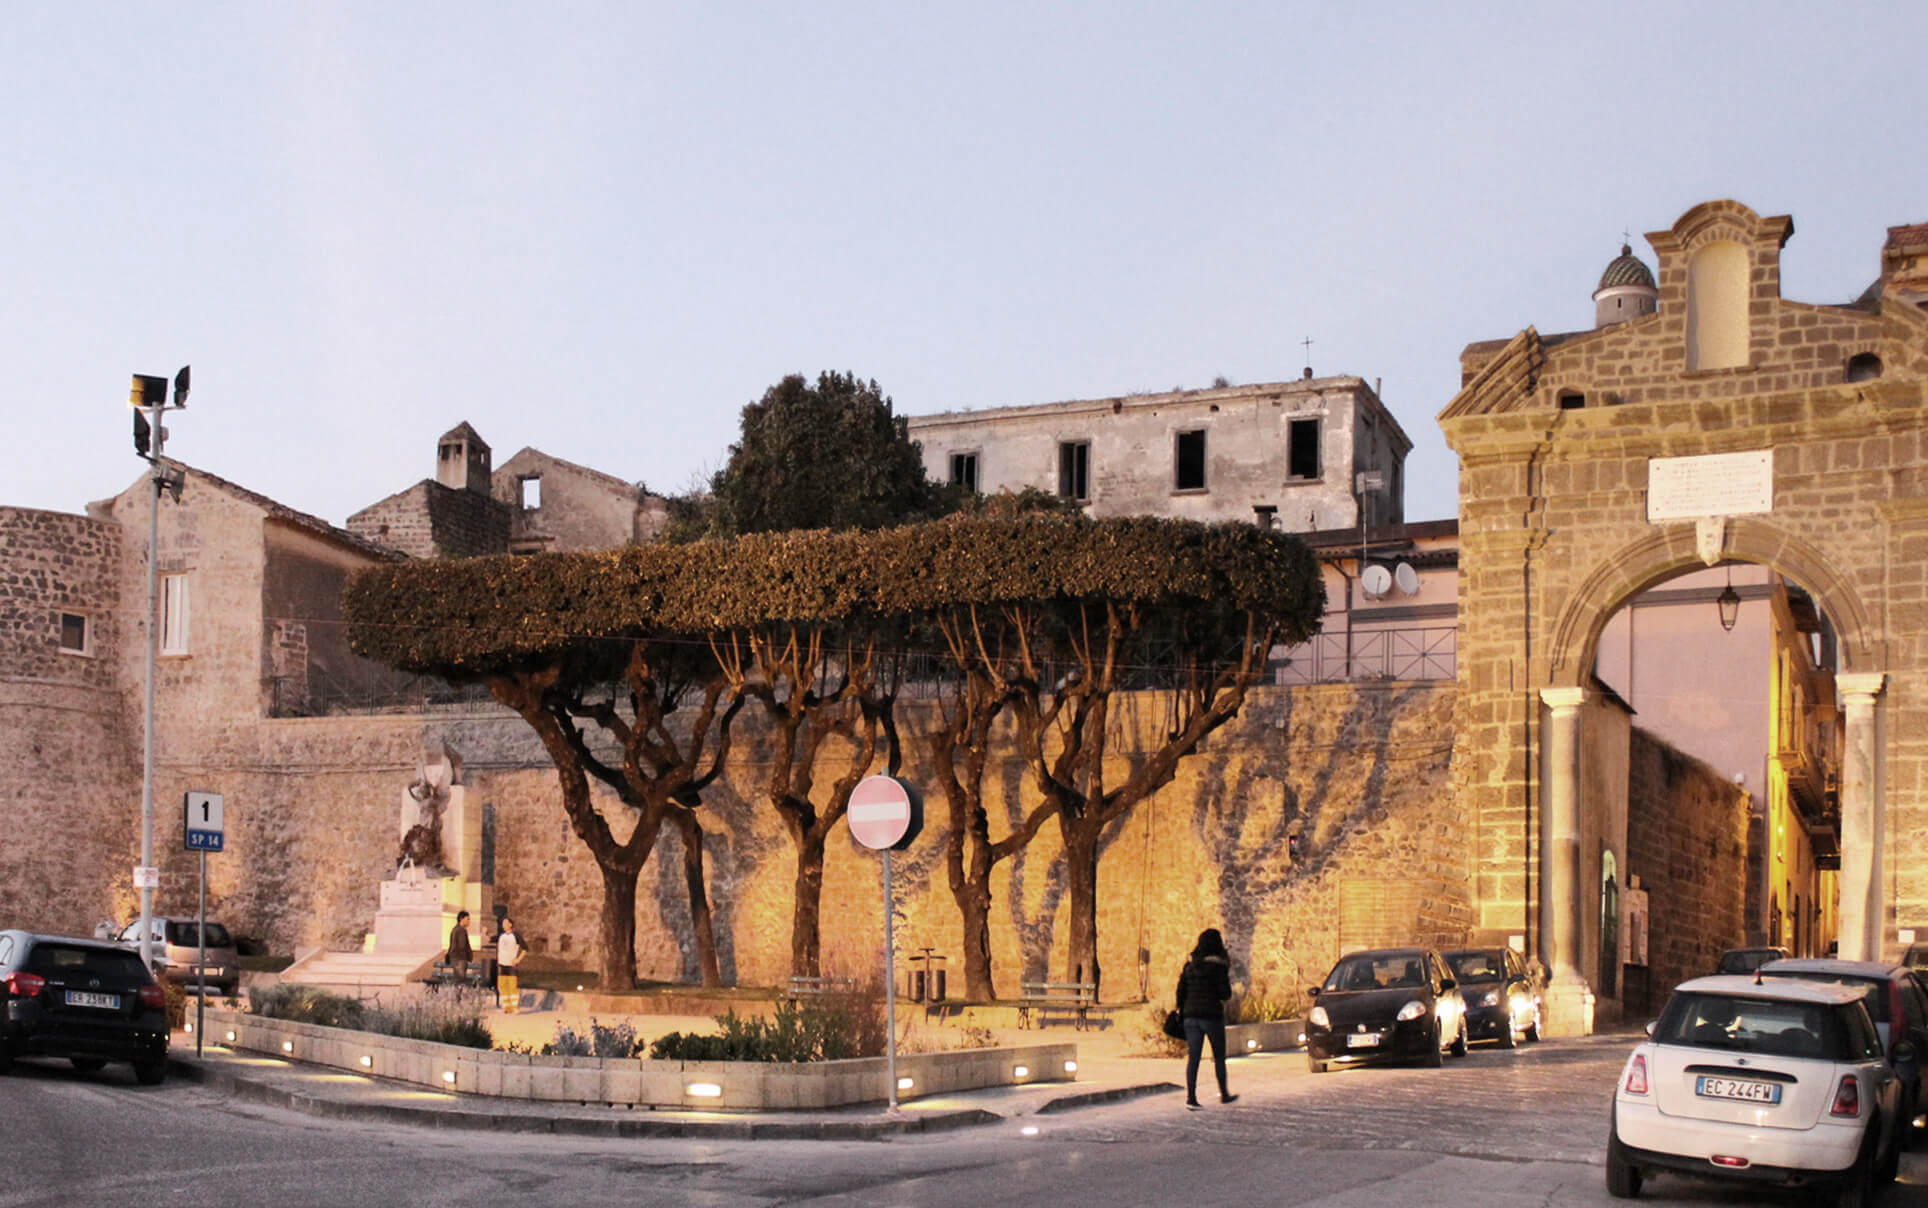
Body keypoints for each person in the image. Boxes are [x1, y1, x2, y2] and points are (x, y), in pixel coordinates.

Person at [1175, 927, 1237, 1109]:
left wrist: (1182, 1009)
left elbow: (1180, 991)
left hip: (1191, 1016)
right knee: (1218, 1057)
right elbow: (1225, 994)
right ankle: (1224, 1093)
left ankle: (1191, 1097)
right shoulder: (1218, 967)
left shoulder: (1189, 967)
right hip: (1211, 1016)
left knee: (1193, 1058)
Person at [496, 917, 521, 1014]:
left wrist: (518, 959)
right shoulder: (501, 936)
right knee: (502, 985)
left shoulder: (515, 936)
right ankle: (506, 1007)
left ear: (510, 924)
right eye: (503, 923)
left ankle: (515, 1007)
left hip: (511, 964)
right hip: (502, 964)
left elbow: (525, 949)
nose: (503, 925)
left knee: (512, 986)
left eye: (506, 923)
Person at [446, 910, 473, 981]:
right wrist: (468, 956)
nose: (469, 921)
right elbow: (462, 946)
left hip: (454, 958)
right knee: (461, 981)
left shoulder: (454, 929)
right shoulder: (461, 930)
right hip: (460, 959)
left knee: (458, 980)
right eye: (467, 919)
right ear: (461, 919)